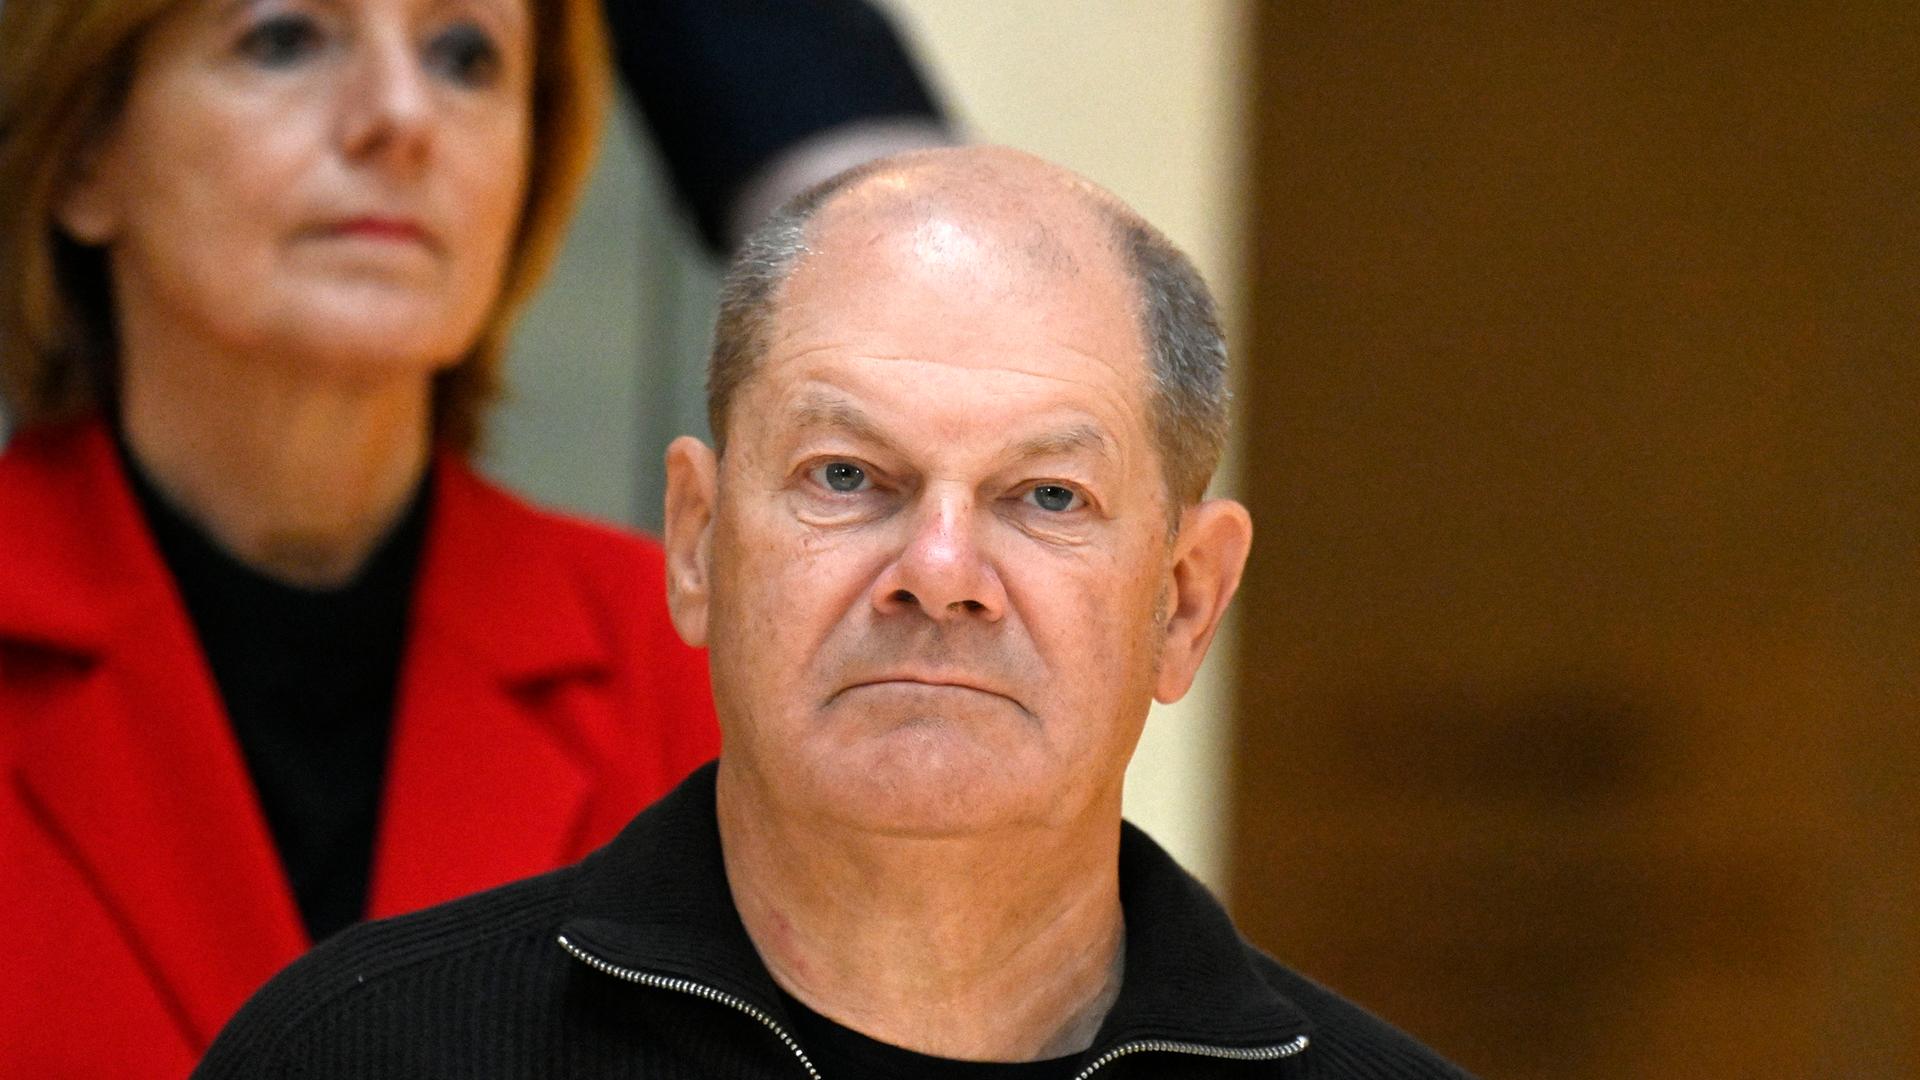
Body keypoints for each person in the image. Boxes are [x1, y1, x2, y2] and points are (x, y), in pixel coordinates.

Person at [194, 146, 1475, 1079]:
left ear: (1184, 603)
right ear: (697, 543)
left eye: (1045, 495)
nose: (938, 567)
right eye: (848, 477)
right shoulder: (356, 1053)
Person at [0, 0, 722, 1073]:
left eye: (464, 56)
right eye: (284, 39)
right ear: (84, 153)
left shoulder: (699, 660)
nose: (400, 116)